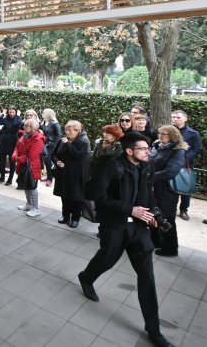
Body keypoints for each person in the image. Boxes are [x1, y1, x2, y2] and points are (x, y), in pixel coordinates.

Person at [79, 132, 176, 347]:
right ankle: (86, 278)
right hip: (115, 226)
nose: (148, 152)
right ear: (129, 150)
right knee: (107, 259)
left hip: (139, 229)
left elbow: (148, 194)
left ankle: (154, 330)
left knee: (147, 277)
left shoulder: (147, 167)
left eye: (148, 148)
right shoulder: (112, 166)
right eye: (143, 148)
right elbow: (98, 196)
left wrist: (153, 215)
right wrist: (130, 210)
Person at [149, 125, 187, 257]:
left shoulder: (178, 150)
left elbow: (170, 172)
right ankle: (155, 241)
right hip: (155, 188)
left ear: (173, 136)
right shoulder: (157, 146)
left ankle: (170, 248)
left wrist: (149, 177)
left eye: (164, 134)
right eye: (159, 133)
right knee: (154, 214)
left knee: (167, 217)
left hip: (167, 191)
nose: (160, 136)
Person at [52, 120, 91, 228]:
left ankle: (75, 218)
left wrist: (68, 144)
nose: (67, 132)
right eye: (66, 130)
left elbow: (79, 156)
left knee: (76, 198)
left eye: (70, 130)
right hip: (63, 174)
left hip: (76, 175)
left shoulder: (83, 141)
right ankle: (65, 216)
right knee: (64, 196)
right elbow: (53, 154)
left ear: (77, 131)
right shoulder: (62, 140)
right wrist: (57, 161)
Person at [170, 110, 201, 221]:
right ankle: (171, 208)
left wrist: (184, 158)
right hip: (170, 163)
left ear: (185, 119)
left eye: (178, 117)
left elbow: (196, 149)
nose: (175, 119)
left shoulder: (193, 133)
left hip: (185, 164)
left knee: (185, 188)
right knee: (170, 187)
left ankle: (184, 210)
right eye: (173, 117)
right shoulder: (168, 131)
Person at [14, 118, 46, 217]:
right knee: (26, 185)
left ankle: (36, 208)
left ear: (32, 128)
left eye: (26, 126)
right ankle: (29, 204)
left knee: (32, 187)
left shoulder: (38, 138)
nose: (24, 127)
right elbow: (17, 147)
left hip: (32, 166)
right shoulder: (24, 135)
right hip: (23, 165)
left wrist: (17, 159)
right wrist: (14, 155)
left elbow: (32, 156)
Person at [0, 106, 23, 185]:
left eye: (13, 112)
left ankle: (10, 179)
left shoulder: (18, 119)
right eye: (10, 112)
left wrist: (17, 116)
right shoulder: (5, 118)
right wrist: (3, 114)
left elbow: (16, 125)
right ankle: (2, 176)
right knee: (1, 160)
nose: (11, 114)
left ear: (16, 112)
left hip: (13, 142)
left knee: (12, 161)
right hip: (4, 141)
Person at [42, 108, 61, 186]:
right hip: (45, 144)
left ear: (48, 114)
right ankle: (49, 177)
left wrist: (53, 144)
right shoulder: (44, 123)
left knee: (49, 161)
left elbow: (59, 135)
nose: (42, 114)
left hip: (51, 146)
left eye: (43, 112)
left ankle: (50, 178)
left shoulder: (55, 124)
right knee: (47, 161)